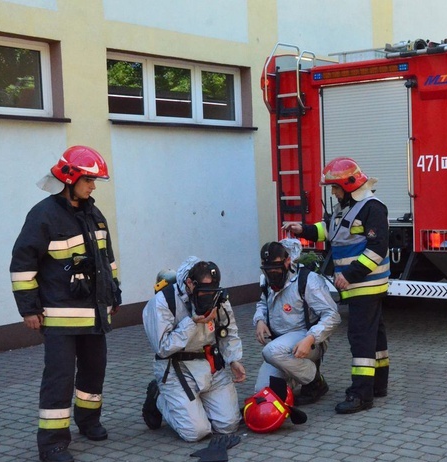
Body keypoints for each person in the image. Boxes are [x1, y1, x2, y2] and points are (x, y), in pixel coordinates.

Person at [10, 145, 122, 462]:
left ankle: (89, 421)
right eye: (89, 180)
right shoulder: (43, 216)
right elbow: (22, 264)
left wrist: (112, 295)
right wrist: (29, 309)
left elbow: (107, 261)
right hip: (59, 317)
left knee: (94, 370)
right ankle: (53, 444)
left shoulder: (94, 214)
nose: (93, 186)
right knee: (59, 378)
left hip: (94, 314)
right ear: (70, 179)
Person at [284, 157, 390, 414]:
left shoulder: (372, 208)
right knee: (374, 336)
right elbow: (330, 230)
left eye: (335, 188)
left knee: (360, 338)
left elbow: (378, 248)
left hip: (365, 285)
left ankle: (361, 395)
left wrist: (351, 274)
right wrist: (304, 229)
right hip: (360, 286)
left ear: (349, 185)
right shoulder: (349, 207)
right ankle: (377, 385)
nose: (333, 192)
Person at [141, 256, 246, 442]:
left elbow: (228, 330)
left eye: (212, 291)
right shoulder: (162, 302)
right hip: (176, 368)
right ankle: (159, 398)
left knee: (228, 425)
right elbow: (162, 347)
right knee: (196, 432)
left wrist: (233, 359)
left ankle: (195, 407)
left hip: (210, 365)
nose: (208, 297)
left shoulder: (217, 296)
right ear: (190, 283)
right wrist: (191, 323)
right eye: (204, 291)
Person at [253, 238, 340, 405]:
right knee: (262, 394)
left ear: (288, 261)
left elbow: (332, 315)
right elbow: (262, 303)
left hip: (307, 340)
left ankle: (315, 381)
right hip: (281, 344)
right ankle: (294, 377)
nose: (272, 273)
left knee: (271, 352)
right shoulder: (266, 281)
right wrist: (260, 320)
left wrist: (310, 338)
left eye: (276, 268)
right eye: (268, 269)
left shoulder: (308, 280)